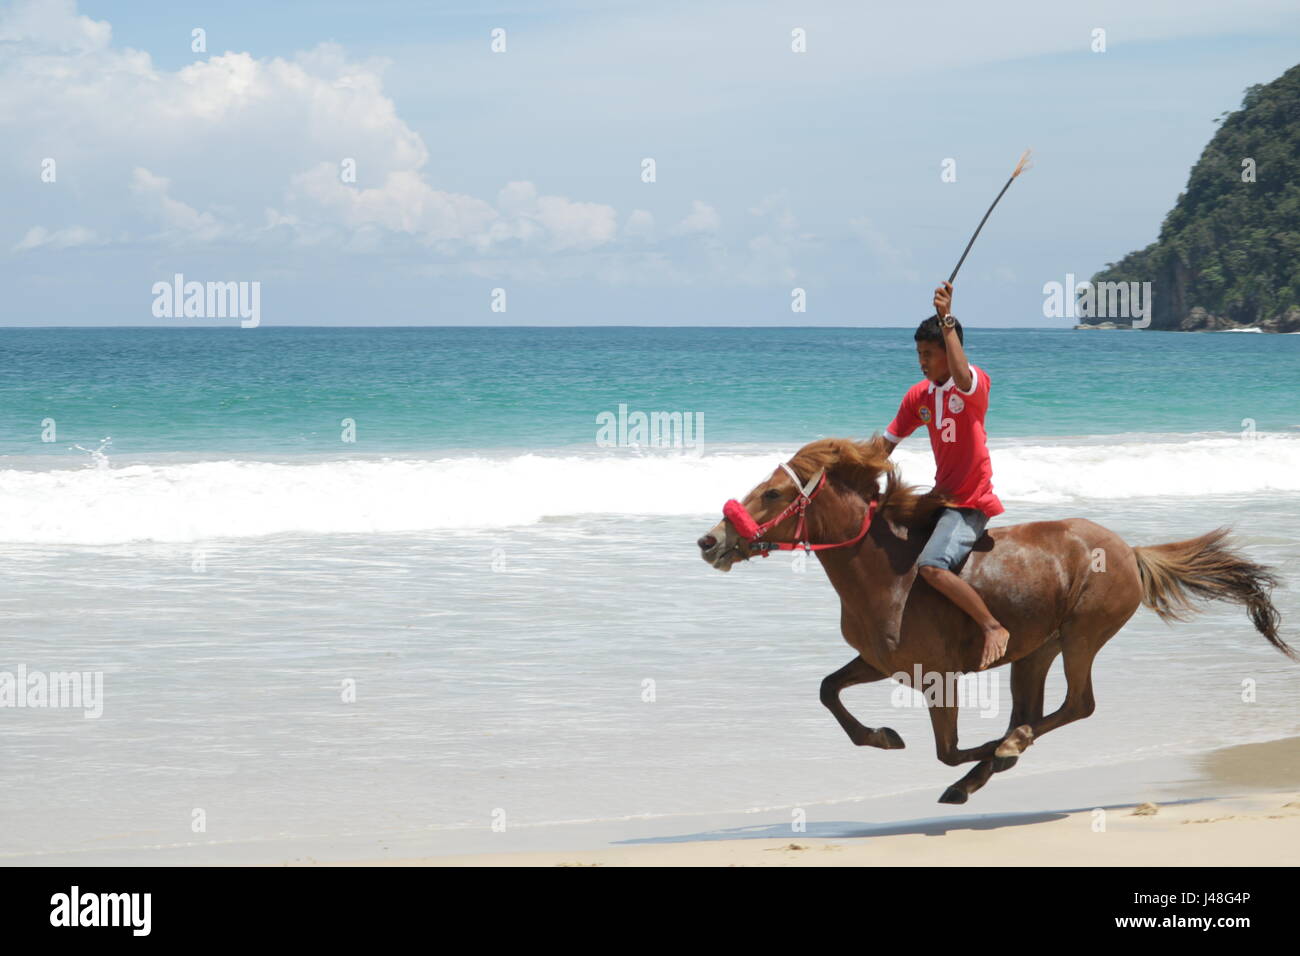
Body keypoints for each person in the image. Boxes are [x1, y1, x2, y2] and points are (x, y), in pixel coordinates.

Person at [881, 281, 1009, 670]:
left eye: (929, 354)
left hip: (969, 502)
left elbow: (961, 371)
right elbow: (886, 444)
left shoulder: (973, 387)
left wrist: (947, 320)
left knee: (932, 567)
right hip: (940, 497)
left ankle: (991, 627)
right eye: (918, 354)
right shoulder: (918, 397)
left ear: (948, 353)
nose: (922, 361)